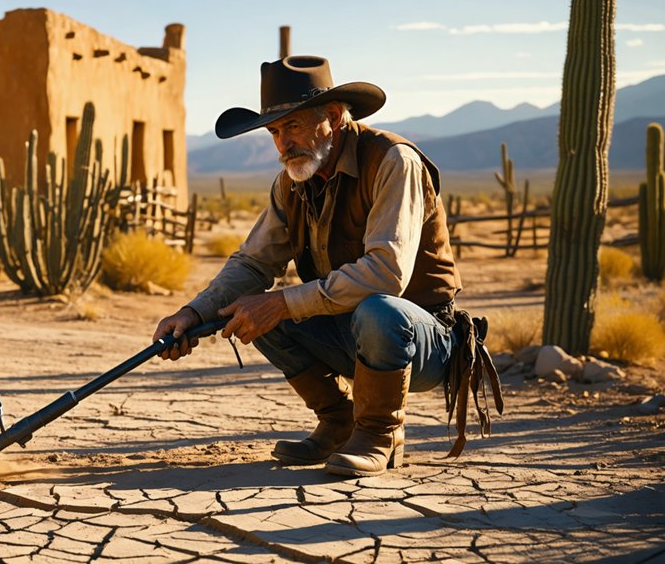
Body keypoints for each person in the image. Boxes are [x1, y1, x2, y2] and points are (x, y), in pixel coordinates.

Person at [153, 55, 463, 478]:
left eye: (293, 126)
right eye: (275, 132)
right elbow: (252, 262)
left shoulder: (392, 161)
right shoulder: (292, 184)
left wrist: (285, 303)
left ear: (333, 117)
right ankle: (339, 422)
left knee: (377, 309)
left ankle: (379, 432)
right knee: (250, 307)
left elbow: (387, 273)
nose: (283, 145)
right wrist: (193, 314)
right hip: (349, 331)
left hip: (421, 339)